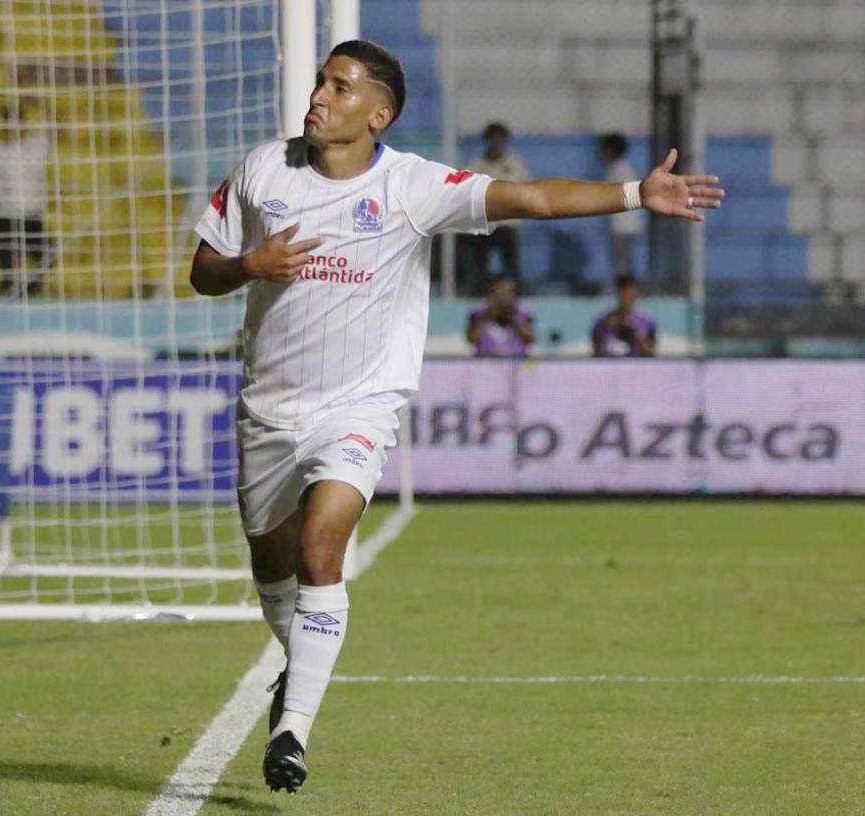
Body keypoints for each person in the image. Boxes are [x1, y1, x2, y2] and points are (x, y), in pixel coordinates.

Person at [190, 39, 723, 794]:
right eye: (319, 84)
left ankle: (291, 734)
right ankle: (297, 672)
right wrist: (250, 265)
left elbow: (533, 199)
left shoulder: (413, 185)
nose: (318, 98)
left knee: (321, 546)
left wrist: (636, 193)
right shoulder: (262, 169)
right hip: (268, 411)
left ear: (379, 114)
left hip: (360, 406)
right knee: (273, 569)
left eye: (340, 89)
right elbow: (202, 268)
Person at [0, 99, 55, 295]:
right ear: (3, 122)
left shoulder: (36, 145)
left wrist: (42, 105)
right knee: (8, 265)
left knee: (48, 256)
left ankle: (30, 288)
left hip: (31, 213)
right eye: (10, 119)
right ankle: (12, 295)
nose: (15, 124)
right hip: (4, 214)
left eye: (19, 119)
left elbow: (60, 128)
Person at [456, 121, 529, 293]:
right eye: (492, 139)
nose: (496, 143)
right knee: (480, 263)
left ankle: (516, 293)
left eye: (500, 139)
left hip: (506, 224)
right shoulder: (475, 165)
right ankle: (480, 292)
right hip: (484, 223)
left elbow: (522, 191)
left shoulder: (514, 164)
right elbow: (466, 191)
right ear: (486, 141)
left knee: (510, 263)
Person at [599, 132, 644, 276]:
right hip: (624, 225)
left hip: (622, 226)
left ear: (610, 151)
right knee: (622, 261)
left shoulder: (620, 171)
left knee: (621, 262)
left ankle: (622, 289)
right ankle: (622, 287)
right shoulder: (618, 169)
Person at [466, 273, 535, 358]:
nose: (503, 297)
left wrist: (512, 319)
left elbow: (530, 338)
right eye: (498, 293)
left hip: (517, 360)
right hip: (485, 361)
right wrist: (489, 316)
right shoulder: (479, 311)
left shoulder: (523, 311)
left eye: (507, 293)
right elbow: (471, 339)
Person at [591, 273, 657, 357]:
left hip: (637, 367)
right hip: (609, 367)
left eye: (629, 291)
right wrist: (606, 328)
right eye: (622, 291)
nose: (626, 296)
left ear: (636, 293)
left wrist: (630, 331)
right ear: (617, 294)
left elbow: (651, 353)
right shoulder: (602, 321)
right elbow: (595, 352)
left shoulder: (647, 322)